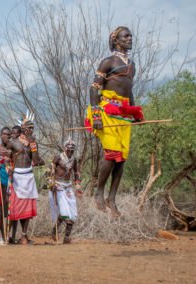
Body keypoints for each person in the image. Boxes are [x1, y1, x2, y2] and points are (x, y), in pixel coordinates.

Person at [85, 26, 143, 217]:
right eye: (126, 36)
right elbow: (94, 89)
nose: (130, 38)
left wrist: (135, 113)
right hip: (107, 110)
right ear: (116, 40)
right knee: (111, 154)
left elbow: (129, 90)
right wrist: (95, 116)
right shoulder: (108, 62)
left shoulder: (132, 64)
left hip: (124, 113)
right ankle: (99, 193)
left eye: (131, 35)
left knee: (122, 158)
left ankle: (112, 197)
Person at [6, 113, 45, 244]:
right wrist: (8, 169)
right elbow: (6, 159)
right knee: (15, 208)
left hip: (28, 176)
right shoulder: (13, 142)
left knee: (28, 208)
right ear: (22, 129)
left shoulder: (33, 142)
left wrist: (33, 145)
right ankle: (8, 235)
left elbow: (35, 160)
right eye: (28, 128)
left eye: (32, 128)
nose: (30, 130)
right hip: (17, 177)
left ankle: (23, 236)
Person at [48, 138, 81, 244]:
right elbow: (50, 169)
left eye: (72, 150)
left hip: (68, 187)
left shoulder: (74, 160)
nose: (70, 152)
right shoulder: (58, 157)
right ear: (65, 148)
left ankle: (66, 237)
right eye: (68, 150)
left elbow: (76, 172)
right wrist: (50, 183)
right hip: (58, 187)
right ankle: (54, 231)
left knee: (72, 213)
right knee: (64, 212)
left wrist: (77, 184)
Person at [0, 127, 12, 244]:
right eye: (5, 134)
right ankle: (1, 235)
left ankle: (8, 234)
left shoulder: (12, 149)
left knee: (9, 207)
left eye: (9, 135)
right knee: (0, 206)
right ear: (0, 135)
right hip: (0, 179)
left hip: (11, 179)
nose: (7, 137)